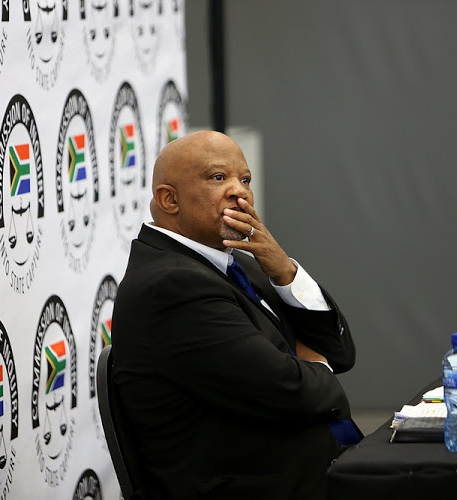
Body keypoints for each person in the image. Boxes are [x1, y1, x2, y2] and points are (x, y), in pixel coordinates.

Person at [111, 130, 360, 500]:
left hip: (299, 464)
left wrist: (284, 273)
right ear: (169, 199)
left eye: (244, 179)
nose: (238, 191)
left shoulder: (238, 263)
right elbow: (292, 393)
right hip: (253, 484)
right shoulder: (172, 286)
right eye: (217, 178)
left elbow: (339, 353)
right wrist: (317, 369)